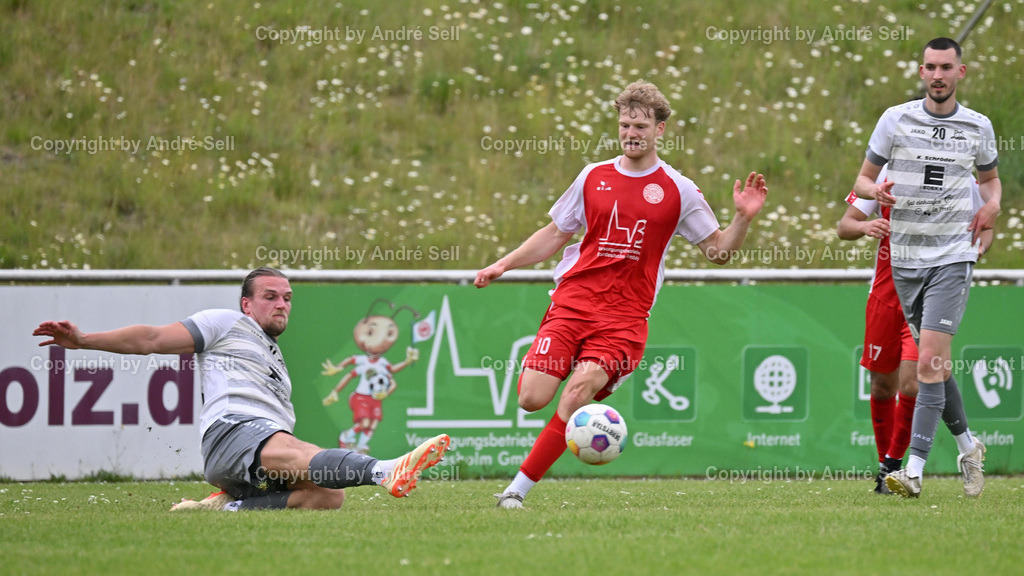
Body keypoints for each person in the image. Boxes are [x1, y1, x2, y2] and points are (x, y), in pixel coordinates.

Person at [475, 81, 768, 508]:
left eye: (641, 126)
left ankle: (515, 493)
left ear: (660, 130)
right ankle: (577, 375)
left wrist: (742, 219)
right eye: (625, 124)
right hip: (572, 303)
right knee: (530, 399)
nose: (631, 133)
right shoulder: (594, 175)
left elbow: (718, 251)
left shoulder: (679, 189)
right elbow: (557, 233)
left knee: (577, 394)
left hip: (624, 318)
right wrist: (503, 263)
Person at [33, 267, 450, 511]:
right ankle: (385, 470)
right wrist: (84, 340)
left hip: (251, 454)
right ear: (247, 304)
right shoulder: (226, 323)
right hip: (233, 433)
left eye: (287, 298)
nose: (282, 304)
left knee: (327, 496)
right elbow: (151, 339)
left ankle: (225, 506)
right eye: (270, 296)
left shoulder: (275, 361)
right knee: (299, 451)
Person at [853, 37, 1001, 498]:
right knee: (937, 365)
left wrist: (992, 210)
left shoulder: (978, 126)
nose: (938, 75)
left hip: (952, 256)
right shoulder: (895, 119)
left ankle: (910, 471)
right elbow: (861, 179)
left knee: (928, 367)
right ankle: (967, 444)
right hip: (905, 261)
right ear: (922, 71)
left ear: (962, 72)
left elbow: (991, 184)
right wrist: (875, 193)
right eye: (931, 67)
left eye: (946, 67)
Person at [839, 166, 992, 494]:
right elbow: (845, 226)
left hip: (930, 296)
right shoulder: (886, 174)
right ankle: (964, 447)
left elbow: (986, 226)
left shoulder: (961, 178)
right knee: (885, 385)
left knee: (915, 378)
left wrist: (973, 252)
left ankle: (898, 466)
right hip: (884, 296)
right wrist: (866, 226)